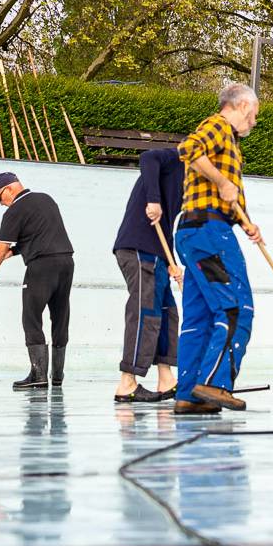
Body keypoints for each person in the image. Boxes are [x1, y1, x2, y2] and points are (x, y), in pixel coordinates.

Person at [172, 83, 265, 415]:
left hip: (193, 231)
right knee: (236, 308)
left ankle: (189, 394)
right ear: (240, 105)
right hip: (209, 230)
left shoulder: (232, 145)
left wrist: (247, 224)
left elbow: (231, 198)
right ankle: (215, 383)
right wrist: (223, 182)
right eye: (253, 115)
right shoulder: (218, 126)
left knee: (199, 316)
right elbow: (188, 148)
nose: (253, 122)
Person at [0, 171, 77, 390]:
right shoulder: (46, 199)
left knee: (31, 317)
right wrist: (17, 250)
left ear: (9, 189)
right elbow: (43, 234)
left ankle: (38, 375)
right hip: (66, 262)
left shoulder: (15, 211)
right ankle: (57, 376)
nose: (1, 204)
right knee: (60, 316)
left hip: (41, 267)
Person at [111, 148, 185, 404]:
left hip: (157, 254)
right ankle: (127, 383)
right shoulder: (178, 158)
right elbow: (147, 157)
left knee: (167, 313)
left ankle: (167, 379)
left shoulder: (190, 183)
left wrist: (173, 264)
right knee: (146, 312)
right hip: (138, 248)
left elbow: (166, 228)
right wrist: (153, 199)